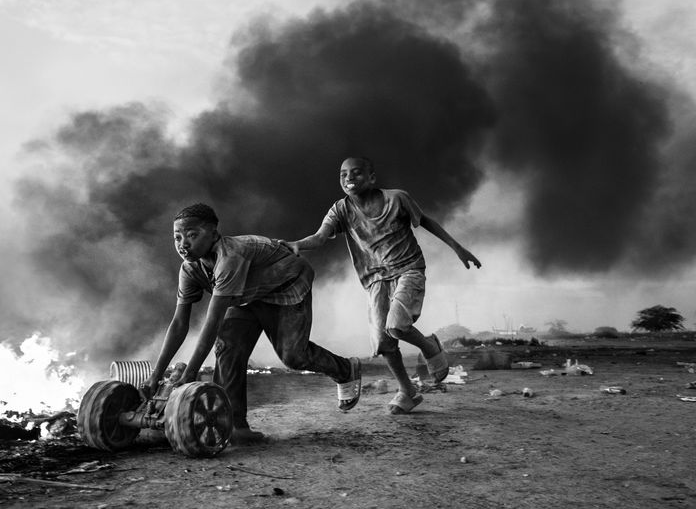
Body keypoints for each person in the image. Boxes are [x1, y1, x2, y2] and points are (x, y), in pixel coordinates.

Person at [141, 203, 362, 444]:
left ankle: (345, 369)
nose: (183, 244)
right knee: (228, 349)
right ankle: (235, 425)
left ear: (214, 234)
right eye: (177, 237)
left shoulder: (230, 257)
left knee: (293, 356)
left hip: (286, 288)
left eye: (192, 235)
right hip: (246, 295)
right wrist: (156, 376)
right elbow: (179, 323)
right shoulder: (190, 269)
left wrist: (190, 373)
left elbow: (213, 322)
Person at [280, 157, 481, 414]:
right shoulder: (340, 209)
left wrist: (458, 248)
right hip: (374, 279)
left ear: (372, 177)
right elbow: (320, 237)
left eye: (356, 173)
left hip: (408, 269)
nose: (349, 178)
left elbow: (426, 221)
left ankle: (430, 346)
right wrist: (298, 244)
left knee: (396, 325)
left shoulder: (397, 199)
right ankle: (407, 391)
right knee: (382, 342)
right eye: (343, 175)